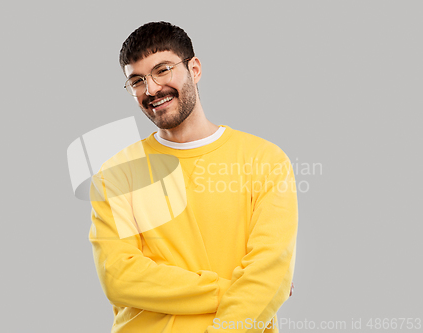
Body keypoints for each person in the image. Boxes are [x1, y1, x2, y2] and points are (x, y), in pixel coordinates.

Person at [89, 21, 298, 333]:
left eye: (162, 70)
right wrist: (235, 289)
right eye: (137, 81)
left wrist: (268, 284)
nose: (152, 89)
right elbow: (119, 277)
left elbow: (268, 268)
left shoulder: (265, 160)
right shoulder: (116, 174)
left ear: (195, 69)